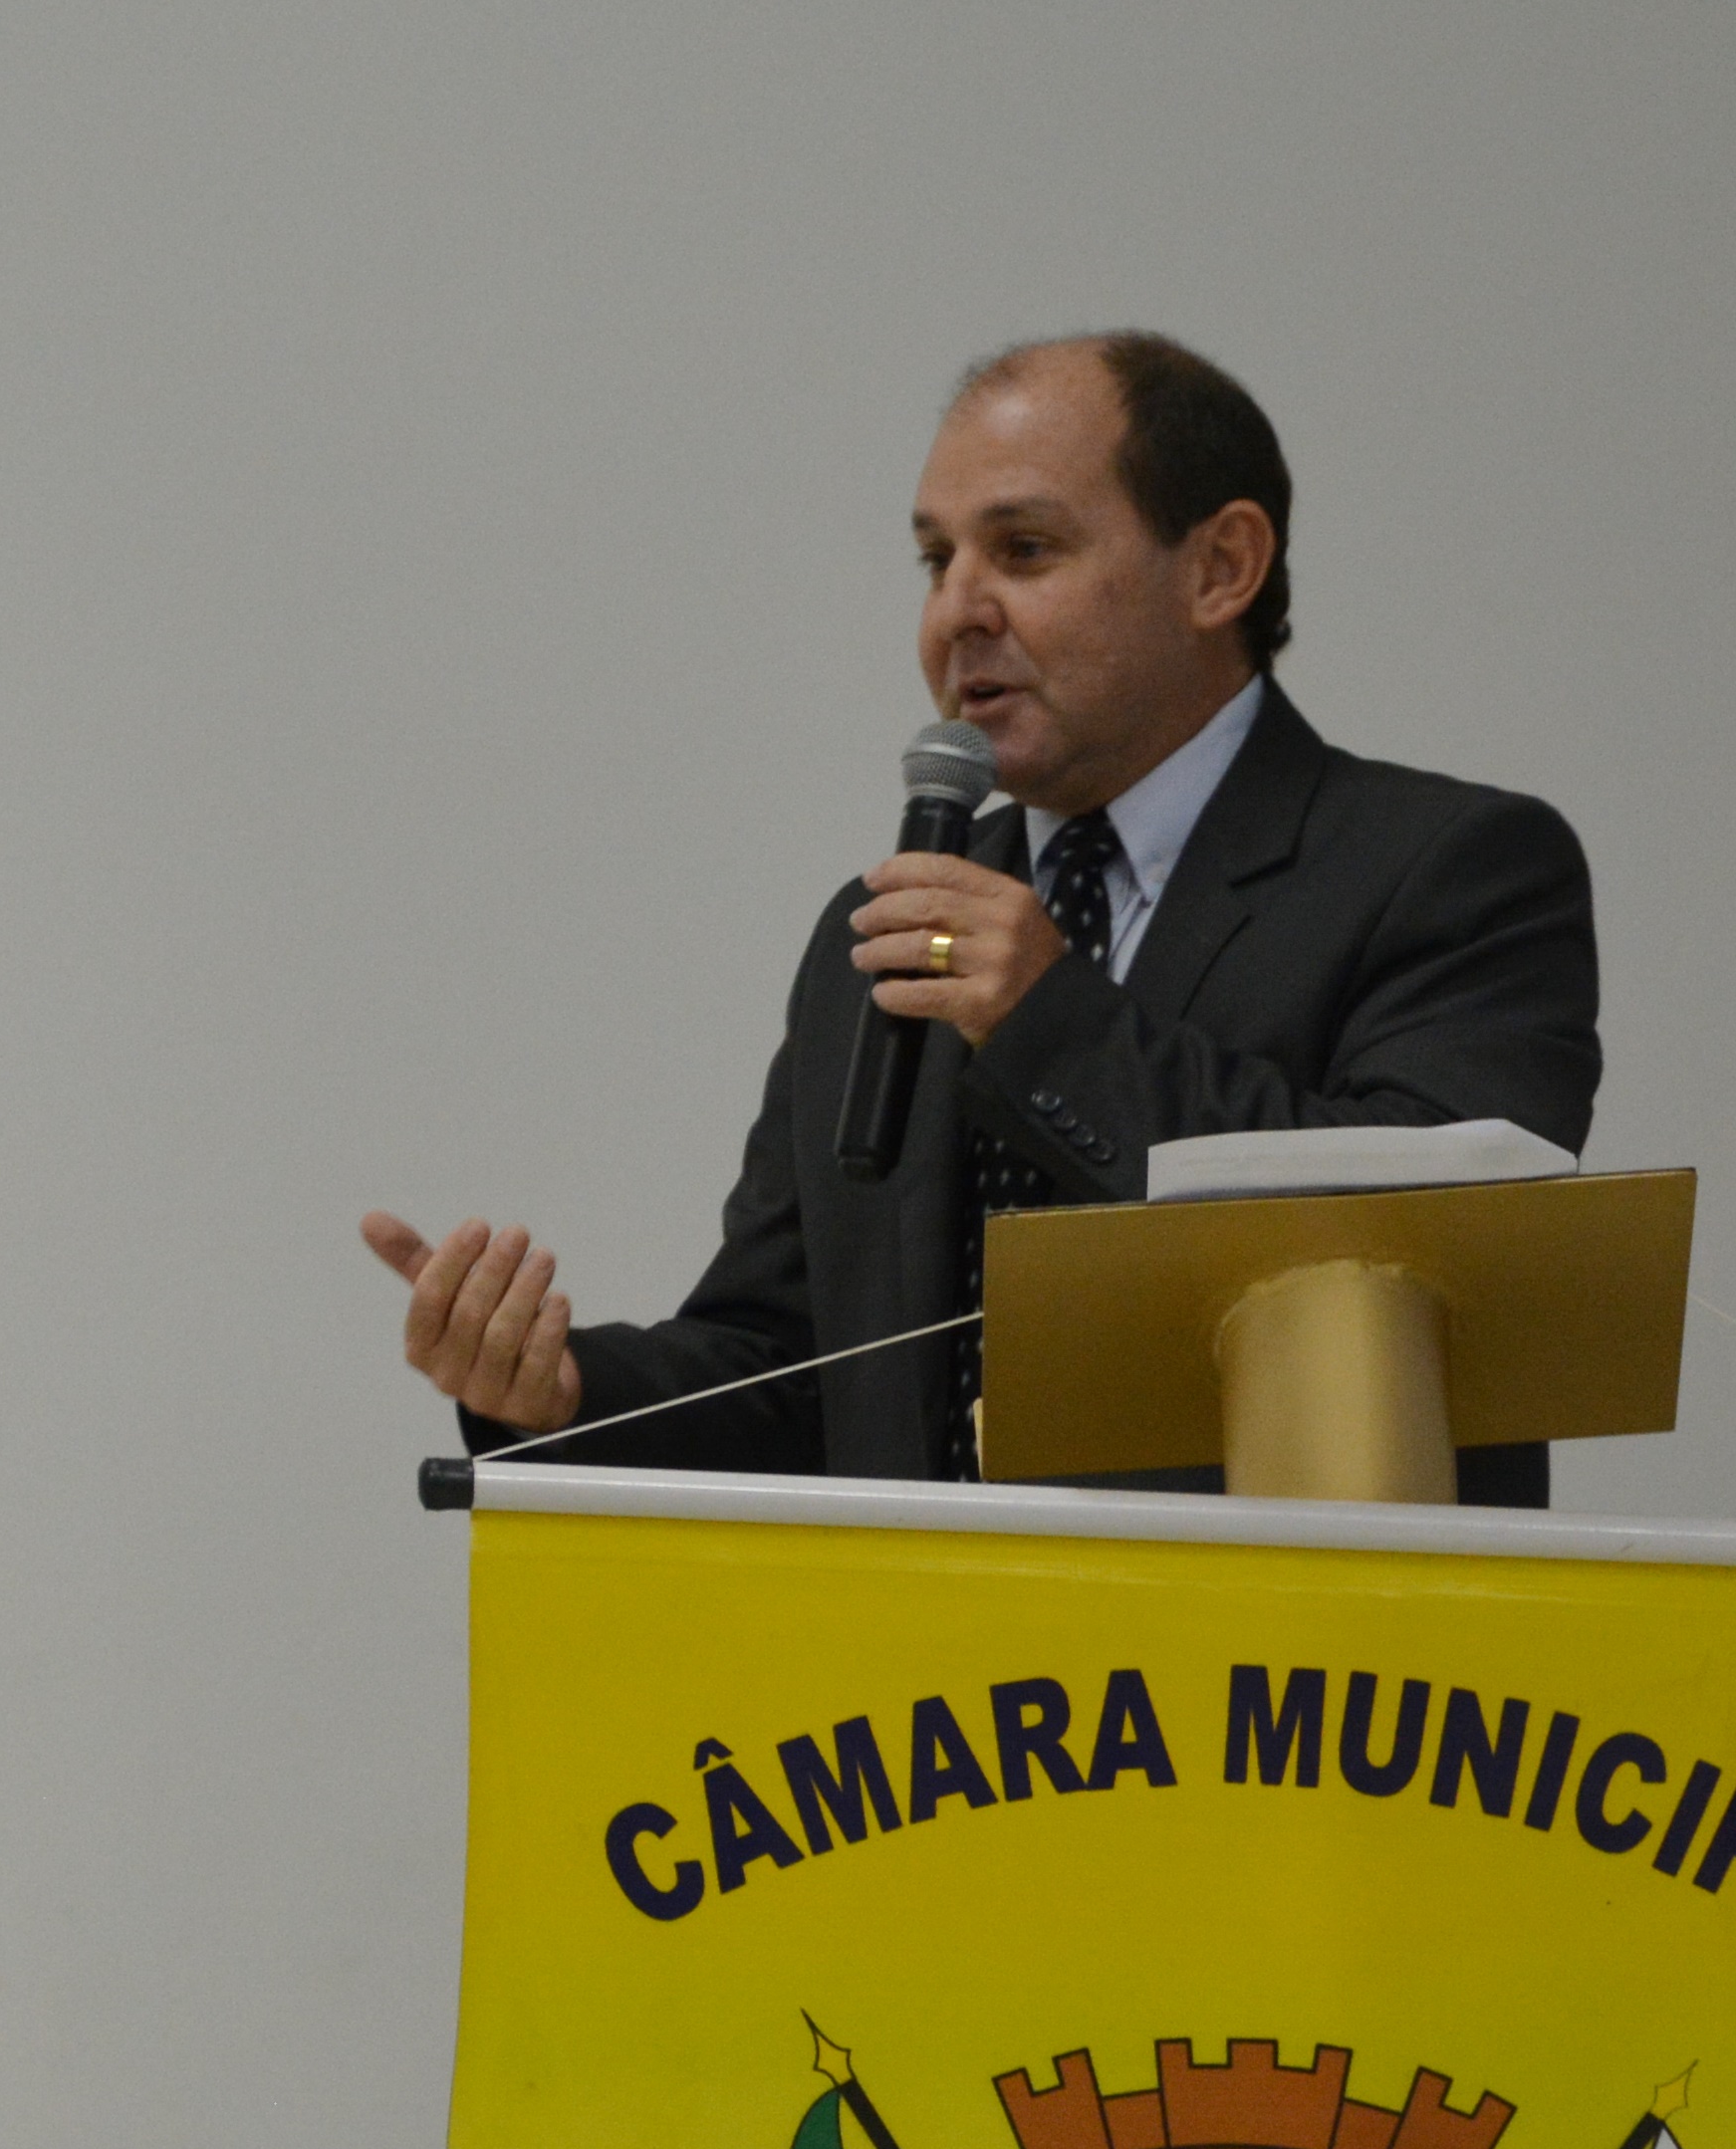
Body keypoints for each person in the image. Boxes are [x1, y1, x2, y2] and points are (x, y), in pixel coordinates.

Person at [363, 332, 1600, 1497]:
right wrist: (561, 1395)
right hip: (940, 1651)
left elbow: (1432, 1261)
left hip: (1294, 1644)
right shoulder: (884, 930)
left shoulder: (1451, 870)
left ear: (1221, 567)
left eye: (1023, 549)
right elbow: (798, 1370)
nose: (956, 611)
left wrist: (1051, 1024)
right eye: (935, 560)